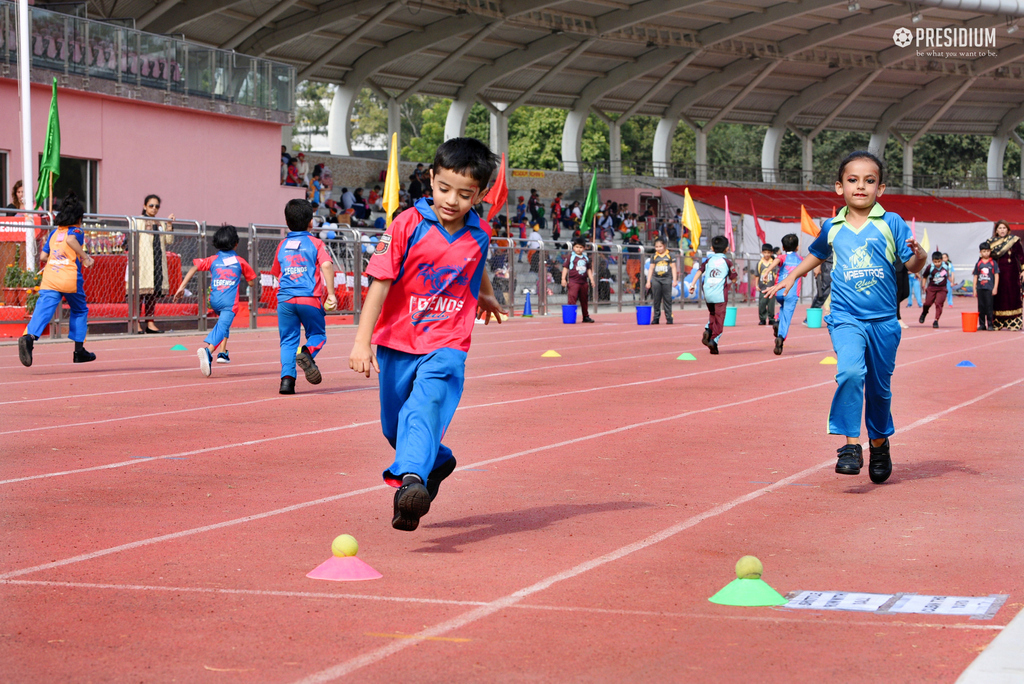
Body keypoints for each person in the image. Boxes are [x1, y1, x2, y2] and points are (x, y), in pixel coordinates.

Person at [348, 137, 503, 532]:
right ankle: (438, 462)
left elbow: (477, 259)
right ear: (431, 180)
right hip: (398, 342)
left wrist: (485, 294)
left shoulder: (480, 232)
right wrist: (361, 342)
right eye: (444, 188)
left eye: (465, 194)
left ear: (480, 194)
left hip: (448, 343)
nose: (452, 200)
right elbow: (379, 283)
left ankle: (411, 483)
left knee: (424, 407)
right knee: (393, 428)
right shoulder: (406, 224)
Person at [766, 150, 926, 484]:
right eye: (853, 180)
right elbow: (817, 254)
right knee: (851, 372)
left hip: (883, 321)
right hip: (845, 316)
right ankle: (851, 445)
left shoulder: (890, 222)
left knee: (879, 391)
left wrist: (921, 256)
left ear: (880, 189)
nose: (861, 187)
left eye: (870, 181)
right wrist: (793, 276)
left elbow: (911, 265)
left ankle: (879, 444)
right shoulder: (833, 226)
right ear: (840, 187)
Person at [18, 191, 95, 367]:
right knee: (80, 310)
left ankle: (29, 337)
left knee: (44, 308)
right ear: (78, 217)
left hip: (51, 276)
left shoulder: (54, 233)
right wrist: (85, 257)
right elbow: (71, 240)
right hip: (69, 276)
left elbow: (44, 256)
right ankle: (78, 351)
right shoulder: (76, 230)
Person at [271, 199, 336, 395]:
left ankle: (287, 382)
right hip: (309, 298)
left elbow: (276, 272)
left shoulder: (282, 245)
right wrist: (331, 294)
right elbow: (326, 265)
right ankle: (307, 352)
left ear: (287, 221)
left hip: (285, 299)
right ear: (311, 222)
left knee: (288, 341)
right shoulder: (316, 243)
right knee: (317, 335)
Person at [173, 225, 257, 375]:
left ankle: (223, 352)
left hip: (214, 300)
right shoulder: (240, 261)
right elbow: (251, 282)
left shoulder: (213, 259)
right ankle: (208, 351)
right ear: (236, 244)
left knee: (223, 324)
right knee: (223, 324)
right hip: (229, 303)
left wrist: (181, 287)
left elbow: (194, 267)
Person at [688, 235, 737, 355]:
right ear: (727, 249)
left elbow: (700, 270)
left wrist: (693, 284)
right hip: (719, 294)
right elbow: (734, 278)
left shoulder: (709, 260)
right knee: (719, 318)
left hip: (708, 292)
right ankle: (713, 340)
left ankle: (708, 329)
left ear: (711, 248)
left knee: (713, 313)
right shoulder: (727, 262)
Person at [134, 194, 175, 334]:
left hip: (157, 260)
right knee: (140, 293)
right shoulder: (138, 221)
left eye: (157, 206)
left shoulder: (161, 223)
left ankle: (150, 322)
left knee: (153, 293)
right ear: (144, 206)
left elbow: (168, 241)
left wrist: (169, 225)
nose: (154, 208)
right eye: (151, 205)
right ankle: (136, 322)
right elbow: (133, 242)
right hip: (143, 261)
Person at [761, 233, 802, 355]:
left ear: (783, 247)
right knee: (787, 317)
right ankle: (781, 337)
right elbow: (804, 273)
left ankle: (777, 320)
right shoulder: (801, 260)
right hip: (792, 293)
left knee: (783, 309)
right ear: (797, 247)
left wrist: (767, 271)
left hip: (778, 291)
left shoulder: (782, 257)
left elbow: (777, 260)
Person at [989, 219, 1024, 330]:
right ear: (996, 230)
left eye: (1004, 228)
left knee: (1012, 296)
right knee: (998, 297)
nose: (1002, 230)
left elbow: (1021, 257)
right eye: (1000, 228)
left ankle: (1014, 322)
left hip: (1012, 274)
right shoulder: (991, 242)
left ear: (1008, 229)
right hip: (997, 275)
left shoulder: (1014, 241)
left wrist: (1023, 270)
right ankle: (998, 322)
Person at [562, 236, 596, 324]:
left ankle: (585, 316)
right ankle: (570, 316)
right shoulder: (571, 257)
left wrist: (591, 279)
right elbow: (565, 268)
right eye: (577, 247)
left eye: (581, 247)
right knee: (572, 298)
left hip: (584, 282)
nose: (579, 249)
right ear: (573, 247)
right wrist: (563, 279)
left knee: (584, 299)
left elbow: (588, 269)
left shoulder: (585, 258)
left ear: (584, 248)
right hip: (574, 282)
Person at [645, 237, 678, 324]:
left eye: (660, 246)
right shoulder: (654, 256)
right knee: (656, 299)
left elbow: (674, 268)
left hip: (666, 279)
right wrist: (648, 281)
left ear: (664, 246)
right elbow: (651, 268)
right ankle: (656, 317)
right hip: (656, 279)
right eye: (656, 247)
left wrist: (675, 280)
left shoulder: (670, 255)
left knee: (667, 299)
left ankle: (669, 317)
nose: (658, 248)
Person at [973, 241, 1000, 331]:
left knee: (989, 306)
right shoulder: (979, 264)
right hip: (980, 288)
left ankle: (990, 324)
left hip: (989, 288)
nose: (986, 253)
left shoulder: (993, 263)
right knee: (981, 307)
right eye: (984, 251)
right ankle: (982, 324)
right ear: (980, 252)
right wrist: (974, 289)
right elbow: (976, 276)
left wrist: (995, 287)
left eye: (988, 251)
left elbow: (996, 275)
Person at [918, 251, 949, 328]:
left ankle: (936, 320)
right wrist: (923, 286)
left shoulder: (945, 266)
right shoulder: (930, 267)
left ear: (942, 260)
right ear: (932, 261)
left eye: (939, 262)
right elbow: (924, 277)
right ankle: (924, 313)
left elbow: (946, 275)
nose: (937, 264)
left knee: (939, 303)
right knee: (927, 303)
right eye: (935, 262)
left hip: (942, 288)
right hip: (932, 288)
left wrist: (951, 282)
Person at [755, 243, 776, 326]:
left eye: (768, 252)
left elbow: (775, 274)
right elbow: (757, 275)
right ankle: (762, 319)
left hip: (771, 287)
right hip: (763, 287)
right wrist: (756, 285)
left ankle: (771, 318)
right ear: (762, 252)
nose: (767, 254)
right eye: (765, 252)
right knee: (762, 304)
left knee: (771, 304)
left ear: (771, 253)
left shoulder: (773, 262)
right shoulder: (760, 263)